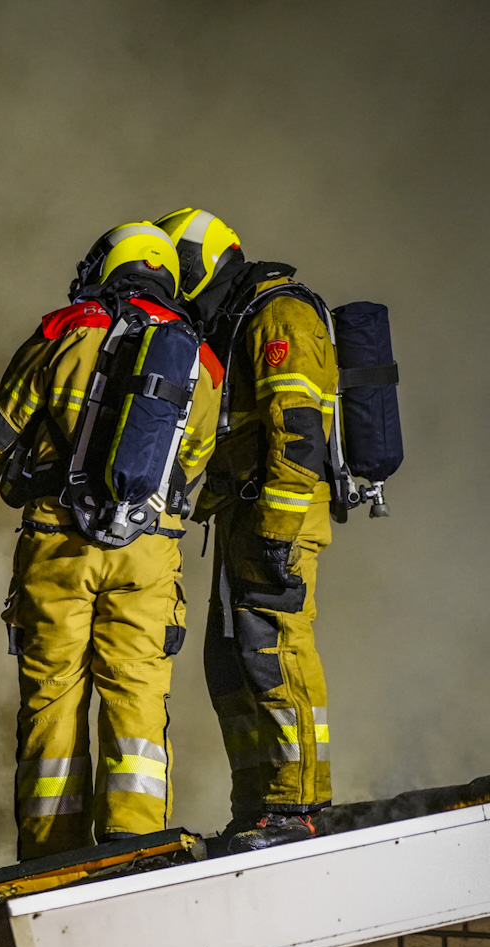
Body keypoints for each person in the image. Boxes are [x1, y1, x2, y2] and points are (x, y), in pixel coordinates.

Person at [0, 223, 224, 859]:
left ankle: (53, 848)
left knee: (54, 698)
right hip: (149, 555)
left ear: (107, 264)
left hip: (58, 545)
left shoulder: (67, 330)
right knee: (137, 693)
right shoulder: (200, 357)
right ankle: (136, 843)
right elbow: (193, 464)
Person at [155, 208, 336, 852]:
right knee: (230, 662)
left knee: (273, 652)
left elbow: (299, 430)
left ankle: (300, 804)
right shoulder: (237, 322)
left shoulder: (278, 315)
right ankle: (259, 800)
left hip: (276, 518)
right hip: (243, 518)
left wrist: (277, 531)